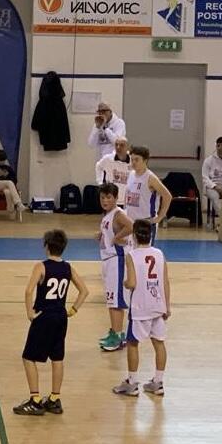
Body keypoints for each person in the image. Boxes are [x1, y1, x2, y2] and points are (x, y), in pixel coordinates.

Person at [12, 230, 89, 416]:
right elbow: (84, 291)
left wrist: (29, 312)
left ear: (46, 246)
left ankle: (35, 400)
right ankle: (54, 399)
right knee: (57, 358)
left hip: (44, 316)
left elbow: (28, 291)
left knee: (28, 357)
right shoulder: (68, 268)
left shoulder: (41, 266)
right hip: (61, 317)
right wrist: (73, 309)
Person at [112, 219, 170, 397]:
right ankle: (158, 382)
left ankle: (132, 382)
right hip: (158, 305)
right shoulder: (159, 254)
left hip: (140, 307)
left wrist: (124, 283)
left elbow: (132, 283)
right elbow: (165, 281)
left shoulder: (132, 255)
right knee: (159, 343)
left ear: (134, 236)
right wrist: (167, 306)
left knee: (132, 343)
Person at [97, 183, 134, 353]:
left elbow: (131, 226)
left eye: (108, 197)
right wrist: (101, 236)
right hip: (108, 260)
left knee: (116, 301)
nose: (105, 200)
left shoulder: (118, 214)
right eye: (102, 197)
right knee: (111, 300)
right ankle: (115, 331)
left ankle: (118, 337)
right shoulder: (108, 215)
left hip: (117, 261)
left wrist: (117, 237)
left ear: (116, 198)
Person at [124, 146, 172, 243]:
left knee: (145, 250)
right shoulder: (131, 174)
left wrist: (160, 217)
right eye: (132, 159)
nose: (133, 162)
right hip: (130, 220)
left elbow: (167, 196)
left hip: (146, 222)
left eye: (137, 160)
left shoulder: (150, 178)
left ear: (145, 160)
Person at [0, 149, 25, 220]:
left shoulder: (8, 168)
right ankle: (18, 203)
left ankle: (10, 210)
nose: (2, 162)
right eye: (1, 160)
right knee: (9, 182)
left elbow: (15, 179)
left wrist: (7, 176)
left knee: (8, 192)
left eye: (3, 160)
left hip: (6, 186)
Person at [95, 137, 131, 206]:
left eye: (122, 145)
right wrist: (100, 182)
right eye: (116, 145)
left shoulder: (132, 160)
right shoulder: (108, 159)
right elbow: (98, 166)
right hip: (111, 200)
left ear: (127, 147)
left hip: (128, 200)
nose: (118, 147)